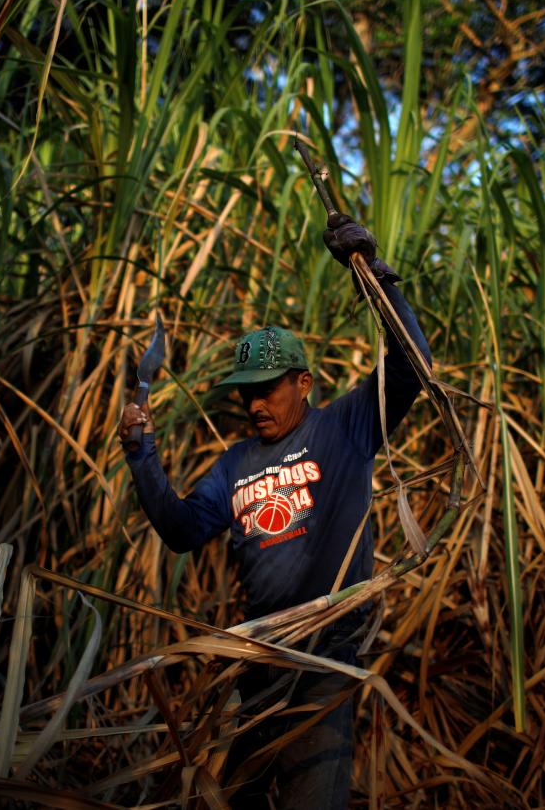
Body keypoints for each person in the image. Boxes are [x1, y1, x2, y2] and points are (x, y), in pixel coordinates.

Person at [118, 214, 431, 807]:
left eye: (269, 388)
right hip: (260, 664)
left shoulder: (347, 428)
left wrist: (373, 275)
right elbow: (182, 532)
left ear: (305, 382)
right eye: (246, 391)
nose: (255, 402)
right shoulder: (233, 464)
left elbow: (412, 360)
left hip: (324, 663)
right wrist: (142, 455)